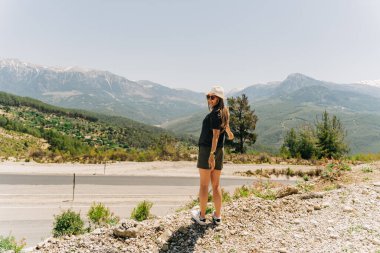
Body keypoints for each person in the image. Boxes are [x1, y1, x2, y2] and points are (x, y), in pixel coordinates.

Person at [191, 86, 234, 225]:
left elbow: (215, 135)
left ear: (219, 99)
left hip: (208, 150)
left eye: (213, 97)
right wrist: (229, 133)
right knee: (216, 185)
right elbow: (225, 127)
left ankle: (202, 216)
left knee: (204, 185)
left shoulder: (215, 114)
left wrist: (211, 154)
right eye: (208, 97)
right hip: (219, 151)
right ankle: (217, 216)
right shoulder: (224, 112)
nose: (210, 99)